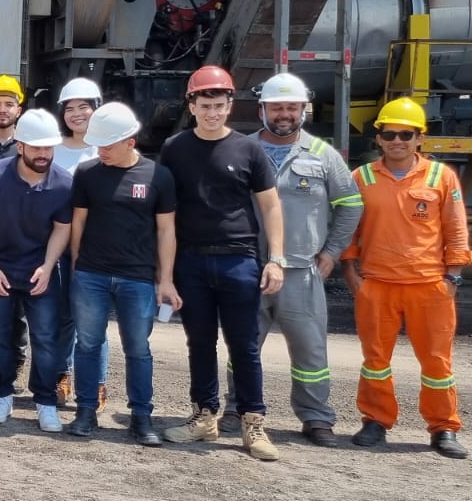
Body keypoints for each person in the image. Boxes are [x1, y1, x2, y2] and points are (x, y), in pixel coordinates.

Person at [158, 65, 285, 461]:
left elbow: (271, 206)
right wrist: (166, 274)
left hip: (238, 260)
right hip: (191, 261)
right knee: (199, 343)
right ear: (192, 106)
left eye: (219, 105)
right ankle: (204, 416)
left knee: (244, 345)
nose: (212, 112)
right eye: (205, 105)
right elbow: (165, 214)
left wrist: (275, 259)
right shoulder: (174, 149)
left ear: (230, 105)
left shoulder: (249, 150)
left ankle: (253, 421)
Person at [236, 73, 363, 447]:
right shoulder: (241, 150)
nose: (284, 114)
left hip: (301, 271)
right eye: (277, 107)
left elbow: (351, 205)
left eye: (292, 107)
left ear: (304, 110)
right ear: (262, 110)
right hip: (249, 267)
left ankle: (316, 417)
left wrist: (331, 253)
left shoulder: (323, 155)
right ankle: (236, 410)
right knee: (242, 347)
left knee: (310, 350)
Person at [342, 97, 468, 459]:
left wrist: (453, 278)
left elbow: (456, 230)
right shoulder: (362, 177)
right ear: (378, 138)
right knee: (375, 360)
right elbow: (349, 231)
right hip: (377, 284)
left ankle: (443, 427)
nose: (397, 140)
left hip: (429, 286)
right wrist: (352, 274)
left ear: (420, 138)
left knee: (437, 362)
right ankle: (375, 421)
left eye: (406, 134)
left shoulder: (441, 176)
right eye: (389, 134)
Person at [67, 103, 180, 446]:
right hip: (92, 274)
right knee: (88, 344)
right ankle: (86, 410)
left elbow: (166, 230)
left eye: (107, 145)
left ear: (130, 141)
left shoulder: (158, 176)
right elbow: (78, 222)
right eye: (97, 145)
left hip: (138, 278)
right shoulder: (87, 174)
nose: (100, 151)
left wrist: (165, 279)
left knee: (138, 348)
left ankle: (141, 416)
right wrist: (77, 264)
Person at [0, 108, 73, 432]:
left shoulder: (63, 183)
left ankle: (45, 401)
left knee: (46, 337)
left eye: (48, 147)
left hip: (38, 270)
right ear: (20, 146)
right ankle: (2, 394)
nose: (44, 154)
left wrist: (48, 266)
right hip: (0, 267)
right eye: (37, 147)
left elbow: (62, 228)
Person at [52, 77, 105, 406]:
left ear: (97, 109)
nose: (77, 114)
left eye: (84, 107)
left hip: (97, 246)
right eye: (70, 108)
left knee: (93, 320)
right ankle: (63, 374)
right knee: (62, 316)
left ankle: (96, 382)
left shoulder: (108, 147)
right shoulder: (54, 149)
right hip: (59, 243)